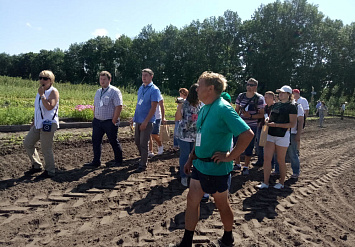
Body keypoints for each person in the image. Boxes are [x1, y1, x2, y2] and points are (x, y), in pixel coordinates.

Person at [172, 72, 254, 247]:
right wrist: (191, 157)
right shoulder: (204, 107)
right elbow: (200, 135)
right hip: (200, 166)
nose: (197, 88)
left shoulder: (224, 108)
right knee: (192, 201)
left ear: (210, 89)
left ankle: (228, 236)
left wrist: (230, 157)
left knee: (222, 205)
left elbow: (247, 134)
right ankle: (186, 241)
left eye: (199, 85)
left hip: (217, 170)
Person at [257, 85, 297, 190]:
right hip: (270, 134)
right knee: (267, 158)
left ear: (289, 95)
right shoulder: (276, 105)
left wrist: (276, 125)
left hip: (282, 136)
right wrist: (268, 121)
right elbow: (271, 118)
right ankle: (265, 182)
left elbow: (292, 124)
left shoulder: (292, 107)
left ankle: (281, 182)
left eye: (283, 93)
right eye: (280, 92)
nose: (280, 94)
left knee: (280, 160)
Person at [23, 70, 59, 178]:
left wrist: (42, 95)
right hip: (38, 124)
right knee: (27, 143)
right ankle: (37, 165)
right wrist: (34, 121)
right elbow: (38, 109)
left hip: (48, 124)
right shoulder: (40, 92)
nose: (42, 80)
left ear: (51, 80)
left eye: (45, 78)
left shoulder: (53, 91)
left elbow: (49, 107)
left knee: (45, 147)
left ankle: (50, 170)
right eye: (40, 78)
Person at [84, 71, 123, 168]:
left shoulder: (115, 91)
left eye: (104, 79)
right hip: (98, 121)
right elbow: (95, 105)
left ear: (109, 80)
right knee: (96, 141)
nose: (102, 81)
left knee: (113, 141)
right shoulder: (98, 91)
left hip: (109, 121)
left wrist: (113, 121)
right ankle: (96, 161)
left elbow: (119, 106)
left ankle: (118, 161)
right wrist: (94, 117)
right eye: (101, 79)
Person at [234, 78, 265, 175]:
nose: (249, 87)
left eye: (251, 85)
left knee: (249, 147)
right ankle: (237, 164)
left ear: (255, 87)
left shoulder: (259, 98)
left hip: (252, 126)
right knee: (236, 144)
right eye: (248, 84)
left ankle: (246, 166)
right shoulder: (241, 96)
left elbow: (262, 114)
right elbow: (237, 110)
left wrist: (250, 116)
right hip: (240, 124)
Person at [132, 68, 161, 172]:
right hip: (138, 120)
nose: (143, 77)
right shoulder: (141, 88)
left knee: (144, 143)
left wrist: (145, 122)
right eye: (142, 75)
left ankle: (143, 164)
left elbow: (153, 107)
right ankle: (142, 159)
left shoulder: (154, 90)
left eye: (146, 75)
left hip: (147, 121)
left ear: (151, 76)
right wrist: (134, 118)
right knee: (137, 141)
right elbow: (138, 104)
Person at [175, 84, 201, 187]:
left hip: (196, 135)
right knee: (185, 155)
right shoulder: (184, 104)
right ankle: (184, 176)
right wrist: (179, 106)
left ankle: (194, 175)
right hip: (184, 134)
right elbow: (177, 118)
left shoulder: (201, 105)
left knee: (195, 155)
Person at [273, 99, 304, 178]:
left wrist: (298, 134)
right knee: (277, 153)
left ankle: (296, 172)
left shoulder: (297, 106)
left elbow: (300, 121)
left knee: (292, 153)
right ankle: (277, 170)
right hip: (280, 133)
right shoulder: (279, 105)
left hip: (292, 133)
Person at [254, 91, 276, 167]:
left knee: (269, 146)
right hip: (262, 127)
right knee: (259, 144)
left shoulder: (275, 107)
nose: (264, 98)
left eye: (266, 97)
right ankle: (260, 160)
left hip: (270, 128)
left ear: (271, 98)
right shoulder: (265, 107)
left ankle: (271, 163)